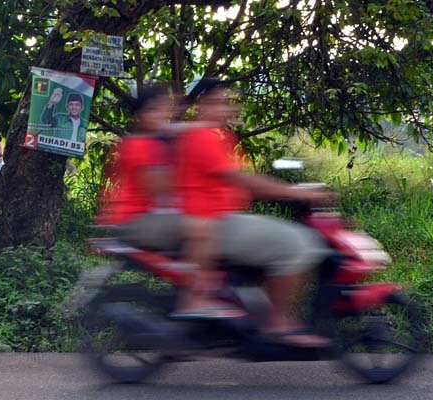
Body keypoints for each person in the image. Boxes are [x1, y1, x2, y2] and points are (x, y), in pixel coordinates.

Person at [173, 79, 334, 346]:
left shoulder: (215, 136)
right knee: (299, 243)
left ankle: (256, 312)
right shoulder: (203, 137)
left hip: (220, 220)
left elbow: (241, 179)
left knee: (275, 237)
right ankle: (279, 323)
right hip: (214, 223)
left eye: (228, 103)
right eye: (220, 102)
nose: (226, 109)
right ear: (201, 105)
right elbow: (243, 181)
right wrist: (297, 193)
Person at [97, 85, 238, 318]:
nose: (162, 116)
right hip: (137, 220)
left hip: (151, 217)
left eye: (166, 109)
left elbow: (185, 128)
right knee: (201, 226)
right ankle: (195, 299)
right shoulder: (140, 145)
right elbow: (158, 189)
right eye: (155, 110)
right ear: (139, 116)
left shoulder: (155, 141)